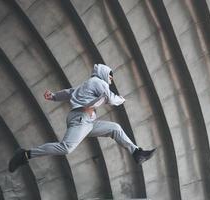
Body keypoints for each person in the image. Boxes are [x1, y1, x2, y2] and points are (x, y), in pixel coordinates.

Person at [9, 64, 156, 173]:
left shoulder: (88, 84)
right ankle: (26, 154)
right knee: (66, 148)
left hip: (87, 122)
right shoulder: (99, 82)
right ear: (104, 74)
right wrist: (121, 99)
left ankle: (137, 152)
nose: (111, 79)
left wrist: (53, 96)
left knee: (115, 129)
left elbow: (70, 92)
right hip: (81, 119)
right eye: (110, 75)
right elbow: (111, 99)